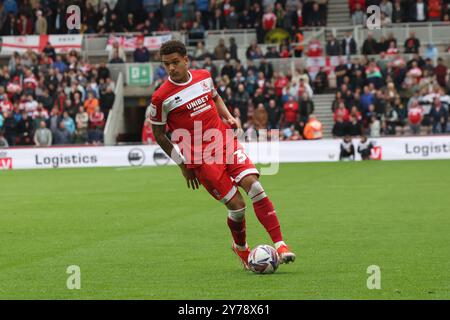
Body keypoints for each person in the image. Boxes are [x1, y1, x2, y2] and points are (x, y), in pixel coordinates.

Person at [147, 40, 295, 269]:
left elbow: (214, 97)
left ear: (186, 60)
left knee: (254, 186)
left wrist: (227, 116)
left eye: (175, 62)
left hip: (223, 140)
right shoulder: (161, 98)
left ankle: (281, 244)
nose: (171, 68)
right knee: (237, 206)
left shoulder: (204, 76)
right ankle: (242, 248)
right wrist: (182, 165)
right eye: (166, 64)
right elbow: (159, 134)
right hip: (200, 158)